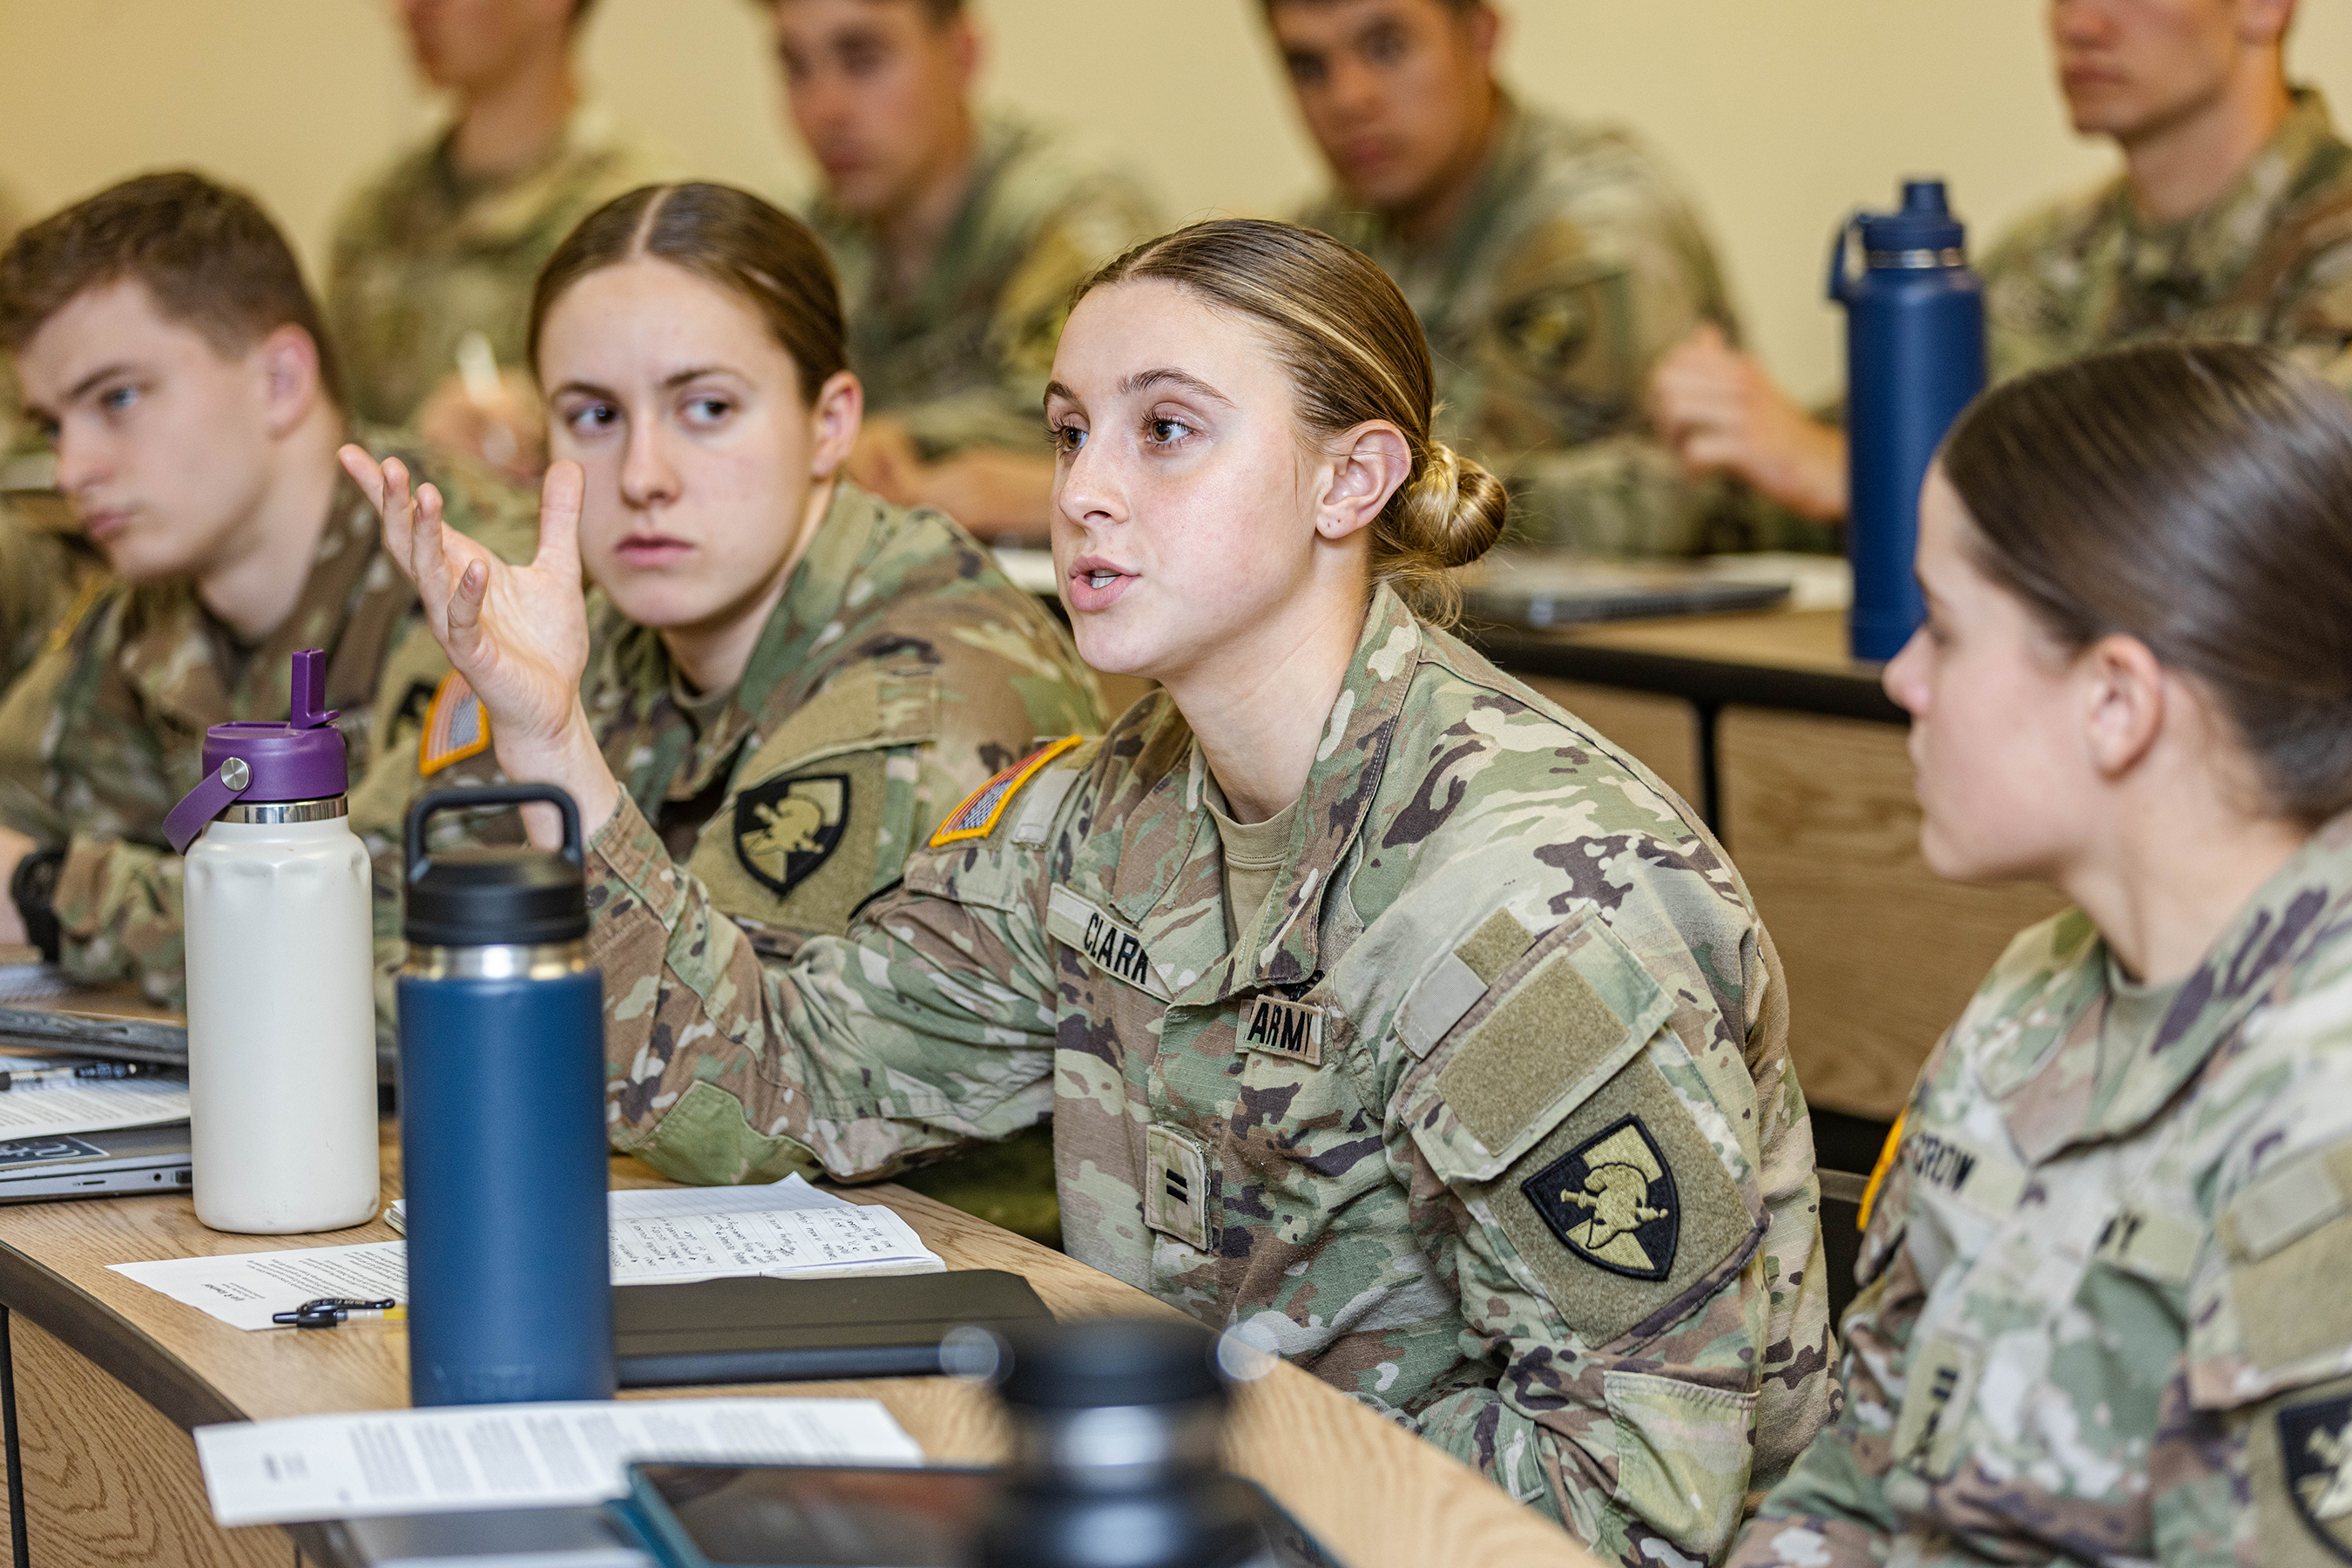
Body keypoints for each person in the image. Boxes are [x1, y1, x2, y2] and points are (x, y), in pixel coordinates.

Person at [349, 217, 1836, 1559]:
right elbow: (780, 1083)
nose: (1084, 494)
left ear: (1351, 478)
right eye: (1070, 434)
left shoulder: (1522, 899)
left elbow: (1633, 1505)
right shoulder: (1115, 807)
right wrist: (554, 745)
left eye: (1165, 431)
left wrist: (1176, 1472)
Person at [344, 182, 1105, 1242]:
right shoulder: (608, 631)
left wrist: (545, 776)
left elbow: (725, 1102)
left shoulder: (924, 686)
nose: (644, 476)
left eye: (707, 409)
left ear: (830, 424)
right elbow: (345, 913)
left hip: (932, 1274)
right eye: (594, 417)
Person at [1730, 342, 2352, 1566]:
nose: (1903, 677)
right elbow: (1862, 1470)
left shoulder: (2323, 1107)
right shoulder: (2041, 990)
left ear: (2116, 701)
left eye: (1946, 631)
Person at [0, 171, 527, 1005]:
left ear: (280, 381)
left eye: (118, 398)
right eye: (54, 426)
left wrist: (51, 891)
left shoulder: (474, 580)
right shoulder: (141, 613)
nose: (72, 470)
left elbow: (392, 942)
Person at [1650, 0, 2344, 533]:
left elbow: (2279, 523)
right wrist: (1731, 429)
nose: (2080, 23)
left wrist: (1870, 480)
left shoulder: (2332, 247)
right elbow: (1821, 457)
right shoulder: (2049, 255)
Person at [1274, 0, 1744, 557]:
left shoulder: (1591, 230)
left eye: (1387, 47)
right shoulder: (1331, 235)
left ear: (1480, 36)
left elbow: (1674, 503)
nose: (1348, 99)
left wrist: (1351, 496)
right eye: (1309, 66)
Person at [773, 0, 1160, 540]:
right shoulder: (817, 239)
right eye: (796, 68)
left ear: (962, 55)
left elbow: (1119, 412)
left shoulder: (1063, 210)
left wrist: (907, 440)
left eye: (863, 60)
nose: (824, 110)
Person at [325, 0, 672, 481]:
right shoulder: (377, 219)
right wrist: (409, 452)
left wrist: (549, 421)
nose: (408, 9)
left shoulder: (644, 217)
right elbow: (329, 442)